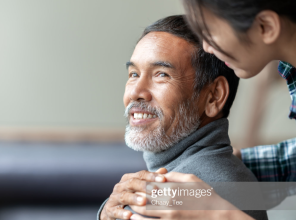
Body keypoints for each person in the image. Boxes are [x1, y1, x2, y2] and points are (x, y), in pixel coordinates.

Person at [124, 0, 296, 219]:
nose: (208, 47)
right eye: (133, 74)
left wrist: (220, 212)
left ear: (265, 26)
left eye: (210, 31)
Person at [98, 15, 267, 220]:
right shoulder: (224, 174)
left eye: (161, 74)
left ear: (214, 96)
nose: (136, 92)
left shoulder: (177, 197)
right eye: (133, 74)